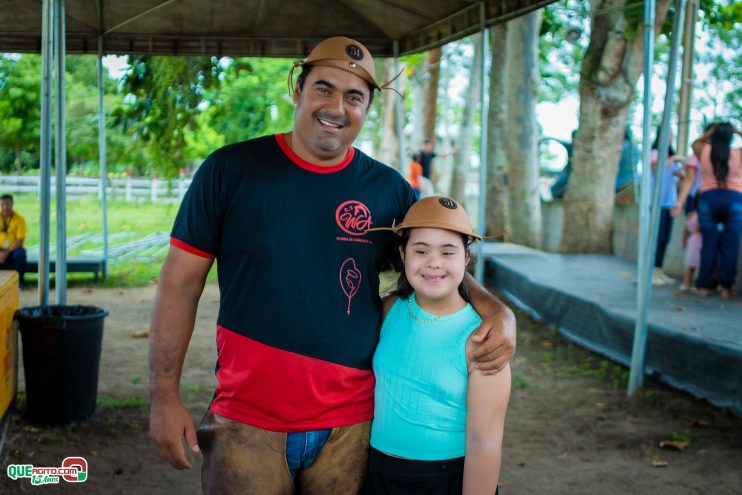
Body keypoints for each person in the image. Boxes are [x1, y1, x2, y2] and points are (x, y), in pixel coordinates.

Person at [148, 36, 516, 495]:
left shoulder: (389, 191)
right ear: (297, 89)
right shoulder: (230, 170)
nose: (336, 107)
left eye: (354, 97)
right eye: (324, 88)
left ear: (367, 109)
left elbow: (440, 263)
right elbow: (179, 285)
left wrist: (499, 313)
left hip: (354, 426)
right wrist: (164, 396)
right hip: (247, 419)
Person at [363, 196, 510, 495]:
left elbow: (485, 443)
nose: (434, 262)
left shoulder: (482, 339)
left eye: (448, 252)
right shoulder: (389, 309)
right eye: (421, 250)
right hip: (377, 474)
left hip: (442, 479)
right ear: (403, 254)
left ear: (466, 259)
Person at [672, 122, 742, 298]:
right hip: (734, 198)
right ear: (731, 137)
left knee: (708, 244)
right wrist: (737, 131)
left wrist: (711, 131)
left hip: (708, 199)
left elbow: (695, 142)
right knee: (730, 246)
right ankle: (726, 288)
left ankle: (704, 287)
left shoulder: (703, 151)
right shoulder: (738, 154)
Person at [649, 132, 685, 286]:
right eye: (668, 133)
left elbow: (679, 176)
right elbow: (657, 168)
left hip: (668, 203)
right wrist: (674, 158)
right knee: (656, 238)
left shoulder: (672, 158)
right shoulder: (655, 153)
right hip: (655, 203)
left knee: (664, 239)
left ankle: (658, 270)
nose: (671, 136)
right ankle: (650, 272)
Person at [0, 194, 27, 287]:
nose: (5, 207)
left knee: (20, 254)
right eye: (3, 204)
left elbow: (20, 239)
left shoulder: (20, 220)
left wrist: (6, 252)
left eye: (8, 204)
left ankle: (20, 281)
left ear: (12, 204)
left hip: (12, 250)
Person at [679, 198, 701, 292]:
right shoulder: (701, 216)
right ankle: (687, 283)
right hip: (700, 240)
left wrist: (684, 241)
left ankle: (686, 283)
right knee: (696, 264)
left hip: (692, 240)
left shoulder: (690, 214)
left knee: (691, 264)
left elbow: (686, 230)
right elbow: (699, 228)